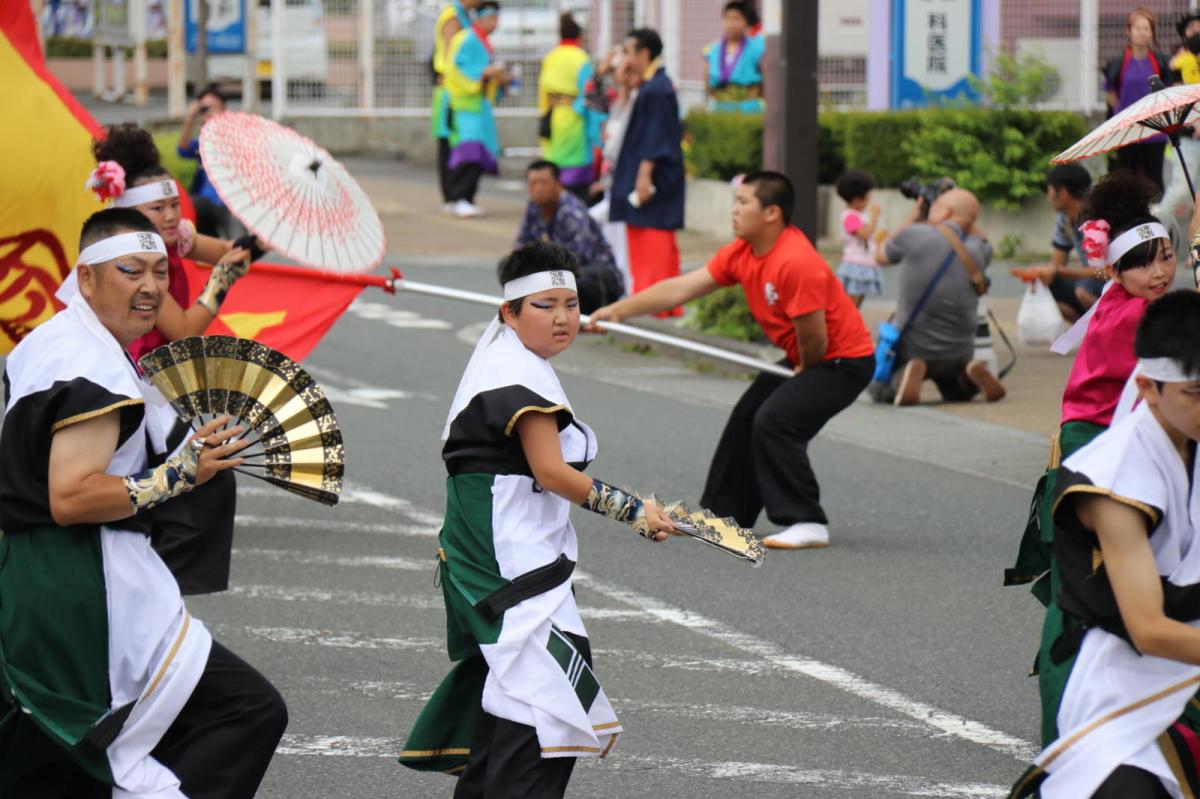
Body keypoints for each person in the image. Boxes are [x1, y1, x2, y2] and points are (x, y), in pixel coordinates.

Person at [0, 207, 287, 797]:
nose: (152, 286)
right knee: (246, 710)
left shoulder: (55, 340)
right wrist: (179, 473)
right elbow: (71, 496)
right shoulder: (92, 365)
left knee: (53, 753)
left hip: (40, 578)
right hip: (87, 586)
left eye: (160, 271)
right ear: (85, 278)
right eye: (131, 270)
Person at [399, 241, 680, 797]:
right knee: (547, 714)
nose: (562, 319)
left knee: (517, 712)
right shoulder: (514, 375)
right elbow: (551, 472)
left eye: (571, 305)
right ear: (509, 311)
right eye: (545, 305)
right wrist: (634, 513)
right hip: (507, 566)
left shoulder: (511, 357)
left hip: (504, 557)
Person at [589, 171, 875, 551]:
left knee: (776, 421)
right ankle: (725, 517)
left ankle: (807, 520)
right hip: (805, 356)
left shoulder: (795, 261)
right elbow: (682, 287)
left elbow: (814, 336)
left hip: (840, 361)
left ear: (772, 212)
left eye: (743, 203)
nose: (734, 210)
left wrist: (804, 370)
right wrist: (619, 311)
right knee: (747, 417)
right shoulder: (743, 251)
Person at [1005, 172, 1179, 749]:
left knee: (1088, 592)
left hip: (1093, 450)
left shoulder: (1116, 301)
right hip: (1099, 460)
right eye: (1146, 263)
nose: (1161, 272)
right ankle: (1079, 726)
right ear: (1116, 270)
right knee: (1095, 595)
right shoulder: (1136, 315)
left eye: (1169, 257)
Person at [1009, 290, 1200, 798]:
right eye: (1197, 392)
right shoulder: (1113, 478)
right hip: (1125, 678)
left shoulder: (1190, 438)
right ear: (1149, 388)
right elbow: (1148, 629)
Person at [81, 122, 262, 595]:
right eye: (155, 208)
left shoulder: (172, 236)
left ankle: (158, 586)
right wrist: (220, 282)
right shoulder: (137, 266)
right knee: (188, 482)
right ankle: (152, 587)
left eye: (172, 205)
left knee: (205, 482)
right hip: (133, 384)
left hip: (163, 386)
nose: (168, 215)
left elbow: (224, 251)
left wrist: (250, 245)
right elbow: (182, 328)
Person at [872, 188, 1004, 407]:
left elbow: (881, 257)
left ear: (945, 212)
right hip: (960, 350)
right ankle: (967, 375)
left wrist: (912, 218)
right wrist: (966, 216)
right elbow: (979, 235)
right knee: (954, 391)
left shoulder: (913, 235)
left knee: (878, 387)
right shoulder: (980, 249)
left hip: (914, 347)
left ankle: (907, 372)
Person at [608, 28, 685, 316]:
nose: (625, 57)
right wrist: (627, 84)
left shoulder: (657, 88)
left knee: (652, 240)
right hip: (649, 174)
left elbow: (656, 137)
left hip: (652, 177)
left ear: (644, 54)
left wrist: (644, 176)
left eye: (629, 51)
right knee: (648, 238)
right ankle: (662, 304)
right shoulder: (651, 85)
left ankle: (657, 304)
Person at [516, 160, 623, 312]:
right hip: (559, 271)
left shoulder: (572, 212)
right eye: (533, 183)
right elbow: (521, 244)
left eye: (543, 183)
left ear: (558, 184)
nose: (538, 188)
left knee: (566, 280)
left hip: (596, 278)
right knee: (512, 267)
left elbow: (577, 260)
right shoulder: (534, 206)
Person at [445, 1, 511, 219]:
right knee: (468, 152)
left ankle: (467, 197)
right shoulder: (466, 39)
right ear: (479, 18)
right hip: (465, 104)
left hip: (478, 105)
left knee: (477, 152)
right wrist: (484, 73)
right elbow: (456, 69)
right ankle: (459, 197)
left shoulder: (483, 42)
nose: (494, 23)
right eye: (491, 18)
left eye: (496, 18)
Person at [1103, 7, 1172, 196]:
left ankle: (1156, 221)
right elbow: (1109, 90)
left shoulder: (1161, 61)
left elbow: (1168, 90)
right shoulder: (1117, 62)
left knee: (1154, 181)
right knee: (1125, 180)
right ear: (1129, 31)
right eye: (1138, 28)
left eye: (1146, 28)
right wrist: (1120, 112)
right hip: (1126, 130)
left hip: (1154, 131)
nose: (1142, 32)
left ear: (1152, 33)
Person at [537, 12, 604, 200]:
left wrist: (543, 114)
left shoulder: (551, 56)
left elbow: (542, 90)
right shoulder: (581, 58)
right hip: (574, 116)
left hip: (553, 115)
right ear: (579, 36)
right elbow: (589, 92)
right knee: (576, 166)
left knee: (554, 162)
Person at [1032, 164, 1103, 324]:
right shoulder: (1064, 219)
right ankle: (1088, 332)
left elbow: (1108, 271)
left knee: (1083, 290)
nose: (1048, 197)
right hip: (1091, 278)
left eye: (1049, 191)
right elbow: (1057, 264)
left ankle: (1111, 331)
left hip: (1112, 279)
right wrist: (1040, 276)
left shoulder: (1097, 217)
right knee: (1045, 289)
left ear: (1063, 193)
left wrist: (1066, 272)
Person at [432, 0, 481, 213]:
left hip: (454, 91)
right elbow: (454, 56)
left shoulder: (463, 14)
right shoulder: (453, 15)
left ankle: (455, 197)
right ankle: (455, 195)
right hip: (452, 93)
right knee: (452, 145)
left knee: (453, 144)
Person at [1158, 11, 1200, 250]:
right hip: (1187, 136)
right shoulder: (1176, 60)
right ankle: (1155, 226)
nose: (1196, 29)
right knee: (1182, 188)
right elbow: (1174, 96)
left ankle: (1197, 251)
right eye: (1191, 27)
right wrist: (1195, 123)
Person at [176, 84, 240, 237]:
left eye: (211, 108)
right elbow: (182, 150)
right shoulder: (203, 140)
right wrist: (190, 118)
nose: (207, 113)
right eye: (203, 109)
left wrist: (222, 121)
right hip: (205, 204)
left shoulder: (235, 133)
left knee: (237, 245)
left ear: (224, 108)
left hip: (231, 202)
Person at [702, 1, 765, 113]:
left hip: (749, 109)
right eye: (727, 18)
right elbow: (707, 84)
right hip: (721, 108)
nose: (731, 23)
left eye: (736, 19)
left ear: (745, 21)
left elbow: (765, 82)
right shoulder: (712, 50)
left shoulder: (757, 48)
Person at [833, 169, 883, 308]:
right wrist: (874, 217)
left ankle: (852, 327)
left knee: (856, 305)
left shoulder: (858, 215)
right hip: (856, 266)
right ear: (856, 198)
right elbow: (864, 234)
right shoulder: (849, 216)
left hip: (864, 264)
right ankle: (847, 328)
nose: (869, 200)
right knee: (850, 306)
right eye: (867, 197)